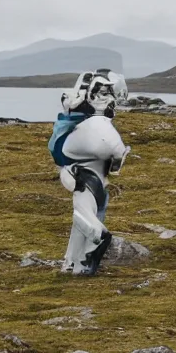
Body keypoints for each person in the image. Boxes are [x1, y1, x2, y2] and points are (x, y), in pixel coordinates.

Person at [48, 69, 130, 276]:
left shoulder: (90, 125)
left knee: (82, 214)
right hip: (97, 178)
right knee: (84, 218)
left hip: (84, 177)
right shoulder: (98, 124)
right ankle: (73, 264)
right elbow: (116, 157)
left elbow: (58, 150)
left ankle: (97, 235)